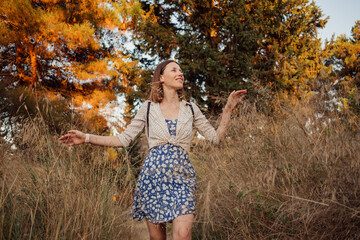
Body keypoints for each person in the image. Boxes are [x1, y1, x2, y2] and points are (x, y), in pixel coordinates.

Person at [59, 60, 246, 240]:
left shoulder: (191, 109)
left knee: (182, 235)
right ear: (161, 78)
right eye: (174, 70)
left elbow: (216, 138)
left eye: (180, 71)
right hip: (152, 179)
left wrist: (229, 108)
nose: (180, 73)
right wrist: (86, 138)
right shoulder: (148, 108)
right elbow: (123, 139)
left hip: (182, 179)